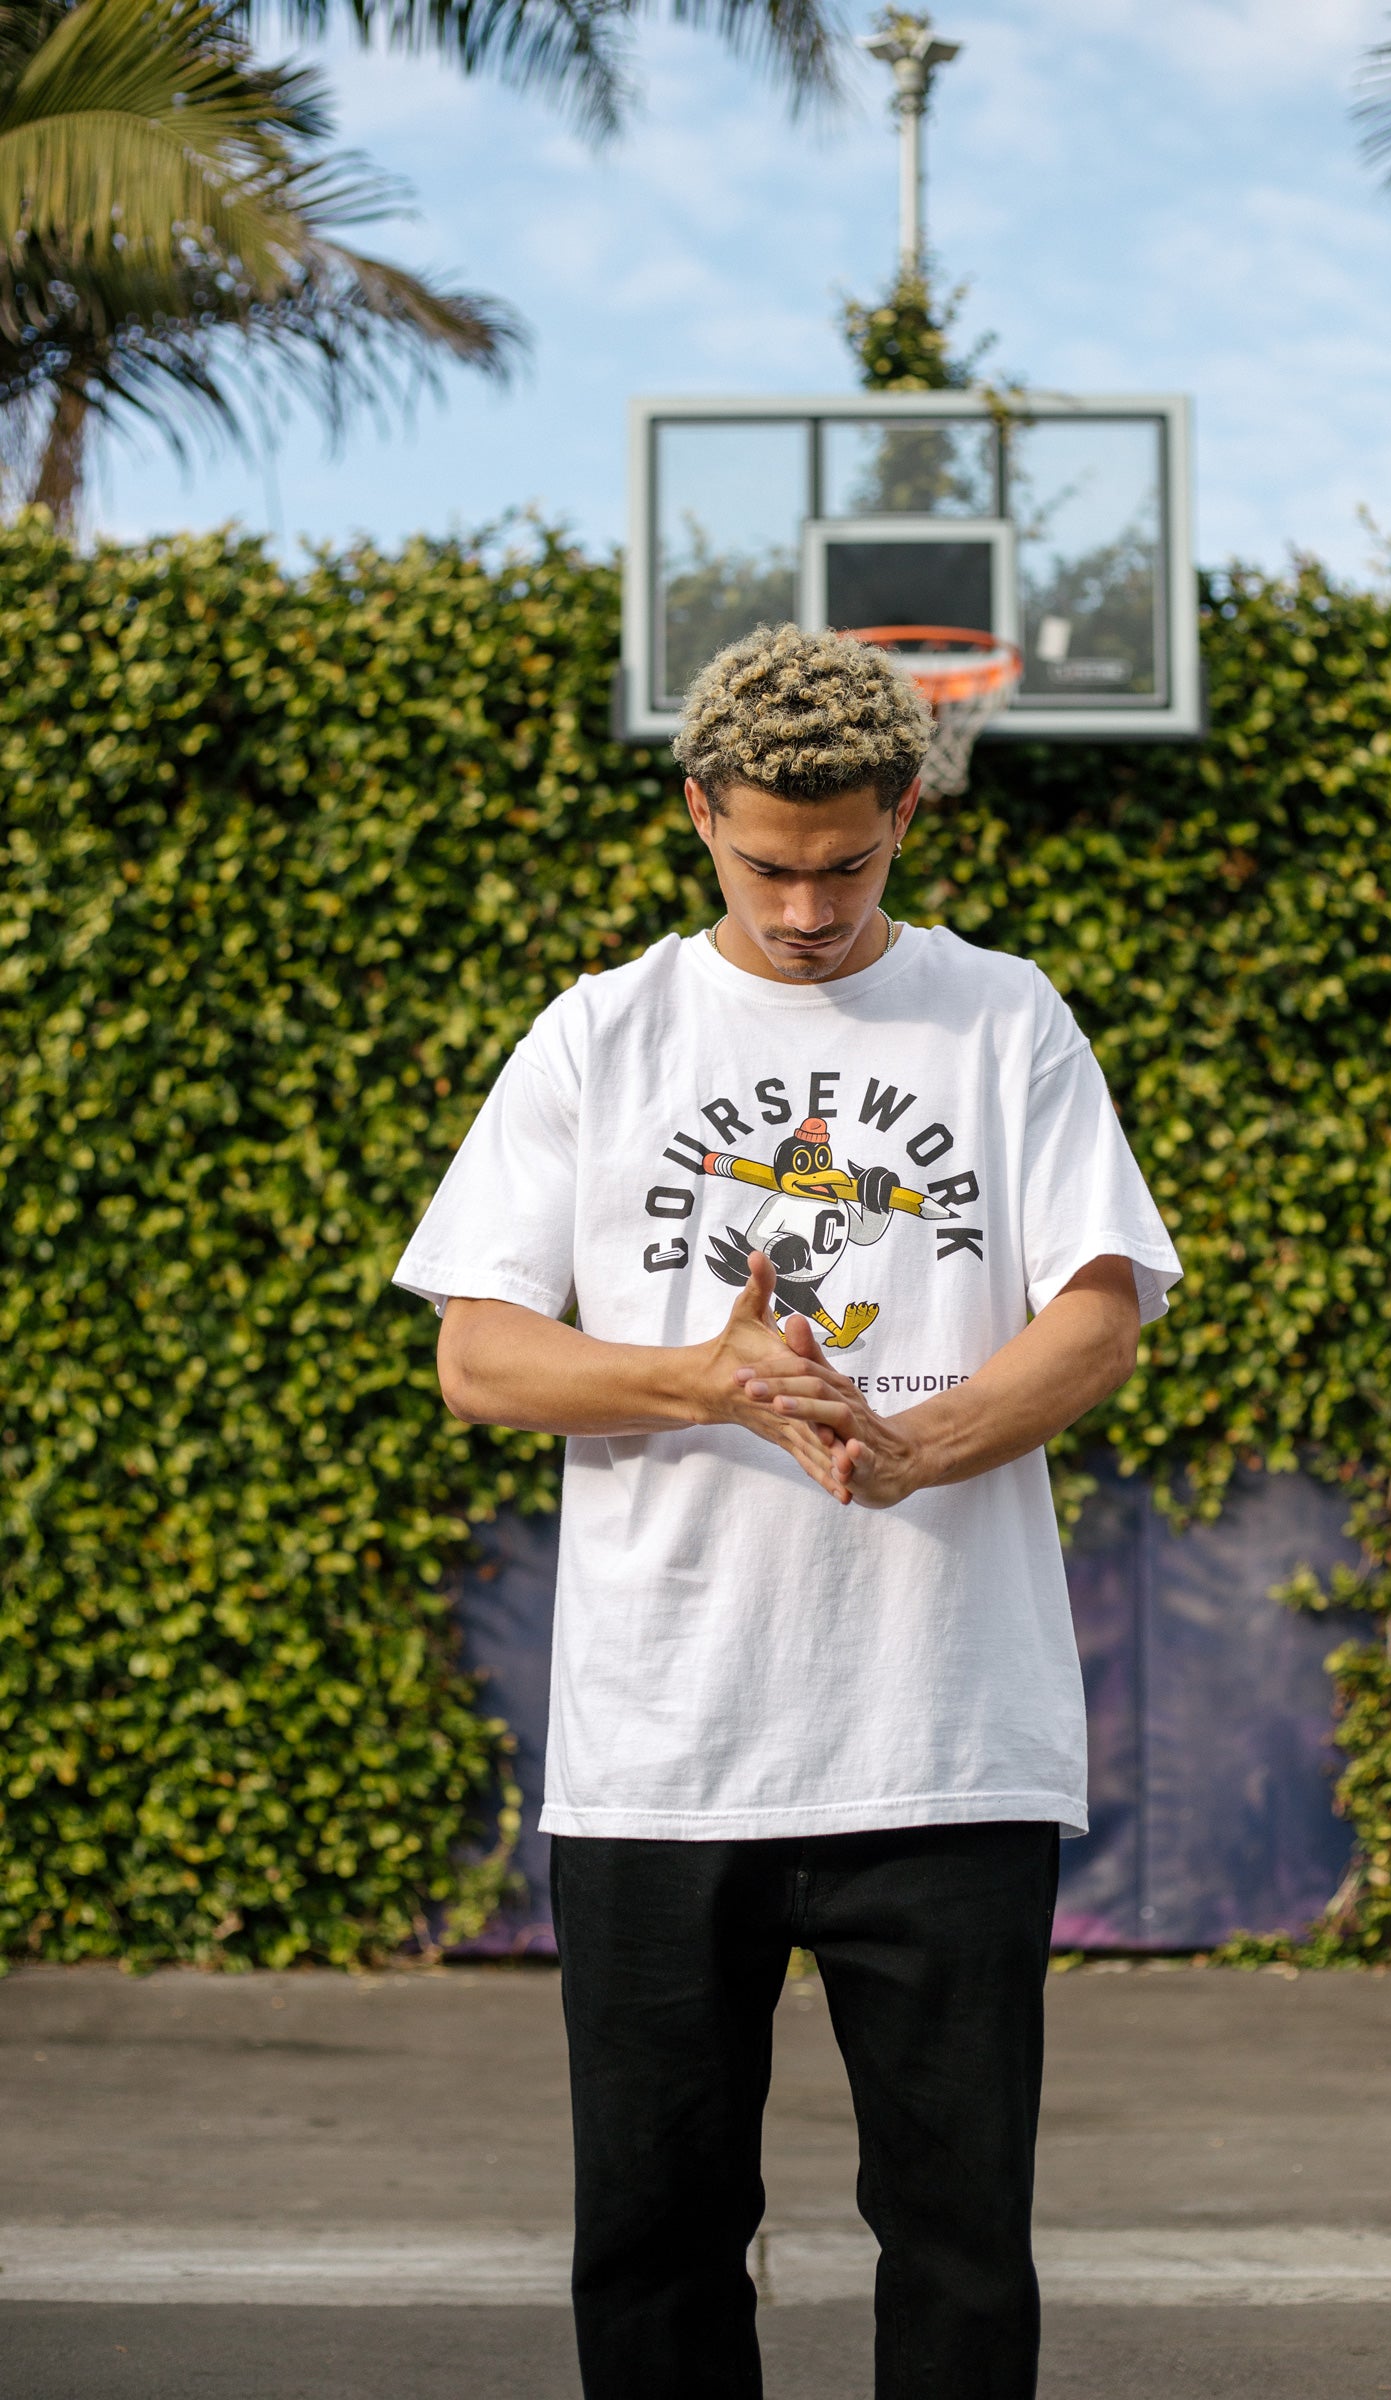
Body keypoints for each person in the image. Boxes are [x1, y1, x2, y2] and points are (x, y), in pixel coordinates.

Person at [393, 622, 1181, 2400]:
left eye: (847, 864)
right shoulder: (603, 1032)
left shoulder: (1007, 1014)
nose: (809, 908)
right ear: (697, 815)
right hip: (667, 1751)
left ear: (906, 808)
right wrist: (708, 1376)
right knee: (658, 2243)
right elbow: (480, 1355)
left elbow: (1101, 1309)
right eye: (766, 866)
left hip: (945, 1737)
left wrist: (921, 1444)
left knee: (962, 2244)